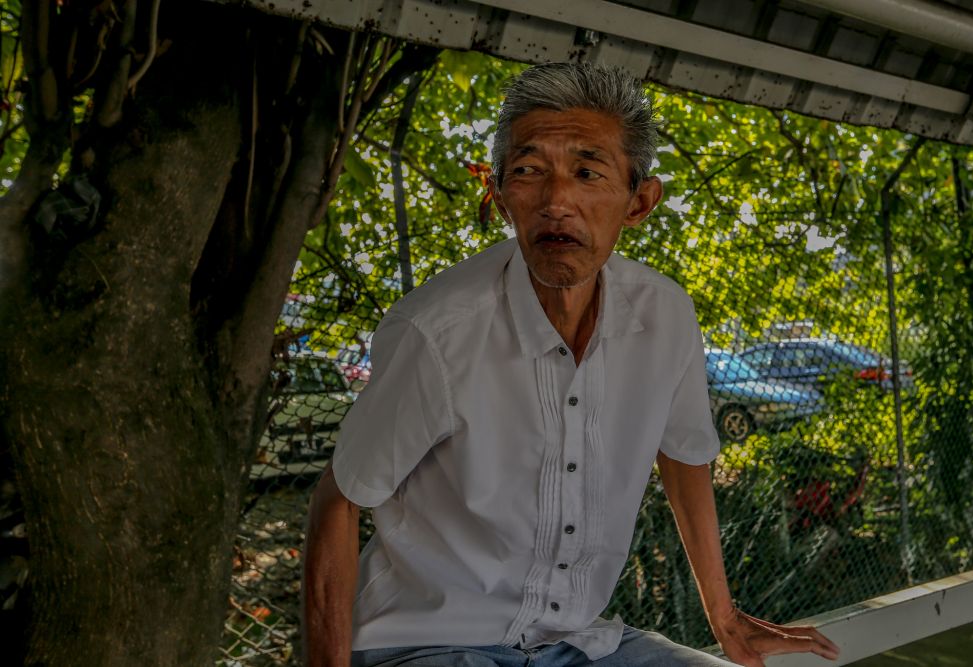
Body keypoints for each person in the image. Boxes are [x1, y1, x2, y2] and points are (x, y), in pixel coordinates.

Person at [303, 62, 840, 667]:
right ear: (500, 194)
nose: (557, 201)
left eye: (587, 172)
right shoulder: (437, 332)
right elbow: (341, 496)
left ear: (639, 202)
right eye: (529, 171)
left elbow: (686, 456)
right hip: (431, 641)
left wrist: (726, 619)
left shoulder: (665, 316)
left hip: (577, 643)